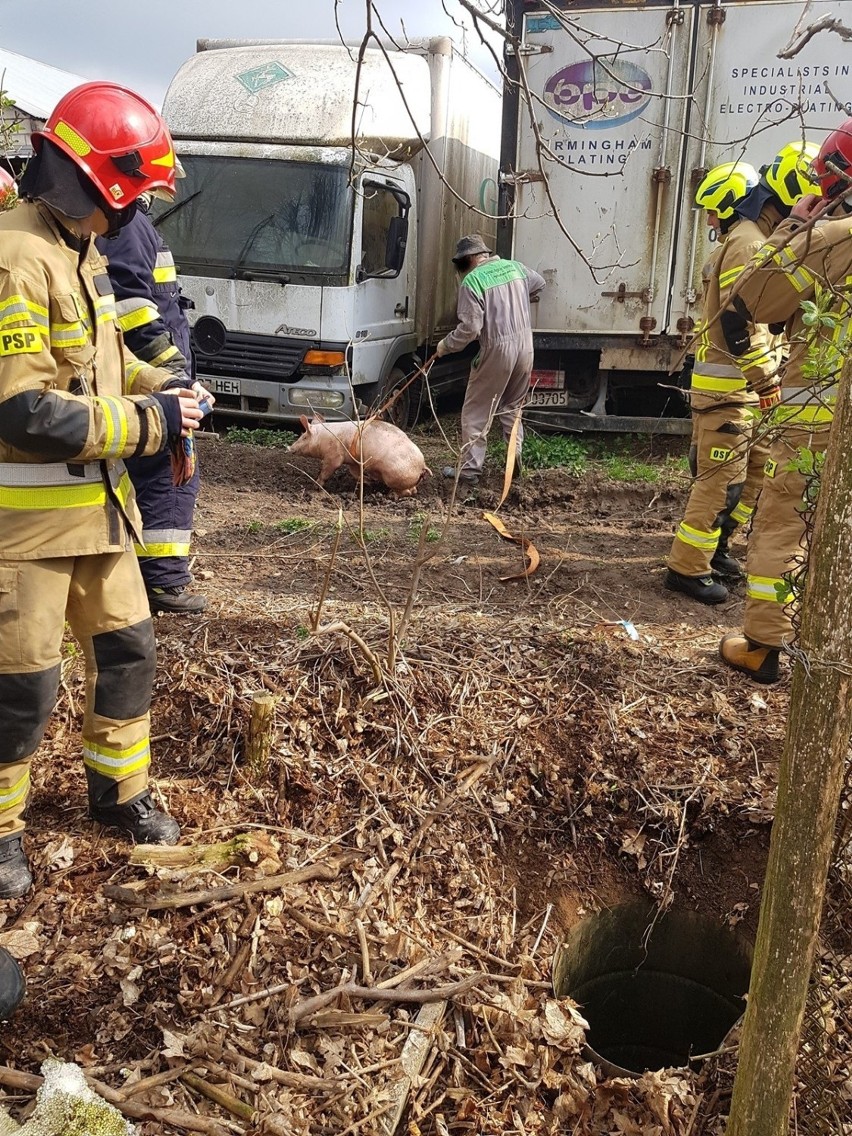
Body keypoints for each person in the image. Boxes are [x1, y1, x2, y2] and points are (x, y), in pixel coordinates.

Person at [0, 82, 204, 897]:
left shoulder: (76, 246)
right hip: (24, 535)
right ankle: (1, 835)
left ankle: (117, 795)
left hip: (99, 518)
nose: (140, 208)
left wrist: (172, 387)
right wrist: (152, 423)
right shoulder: (15, 256)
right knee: (19, 689)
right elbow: (22, 412)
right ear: (104, 183)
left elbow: (103, 362)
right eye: (139, 192)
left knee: (128, 652)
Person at [718, 121, 852, 683]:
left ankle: (762, 646)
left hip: (818, 425)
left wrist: (798, 225)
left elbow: (748, 301)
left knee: (782, 525)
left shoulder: (833, 240)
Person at [666, 144, 820, 604]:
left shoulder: (751, 236)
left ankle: (713, 552)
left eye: (714, 213)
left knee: (747, 478)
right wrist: (766, 381)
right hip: (732, 389)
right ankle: (686, 569)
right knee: (719, 481)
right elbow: (741, 321)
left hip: (740, 389)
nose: (711, 222)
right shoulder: (750, 241)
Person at [96, 189, 208, 615]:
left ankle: (144, 574)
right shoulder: (129, 228)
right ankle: (164, 582)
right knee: (171, 474)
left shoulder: (121, 227)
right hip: (149, 379)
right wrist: (175, 375)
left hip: (135, 377)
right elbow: (134, 309)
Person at [436, 234, 545, 487]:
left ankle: (470, 470)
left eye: (461, 264)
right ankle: (513, 458)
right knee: (512, 407)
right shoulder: (515, 267)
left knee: (476, 411)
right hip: (525, 345)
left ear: (470, 259)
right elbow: (539, 284)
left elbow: (470, 329)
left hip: (497, 347)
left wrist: (445, 346)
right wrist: (515, 301)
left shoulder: (472, 281)